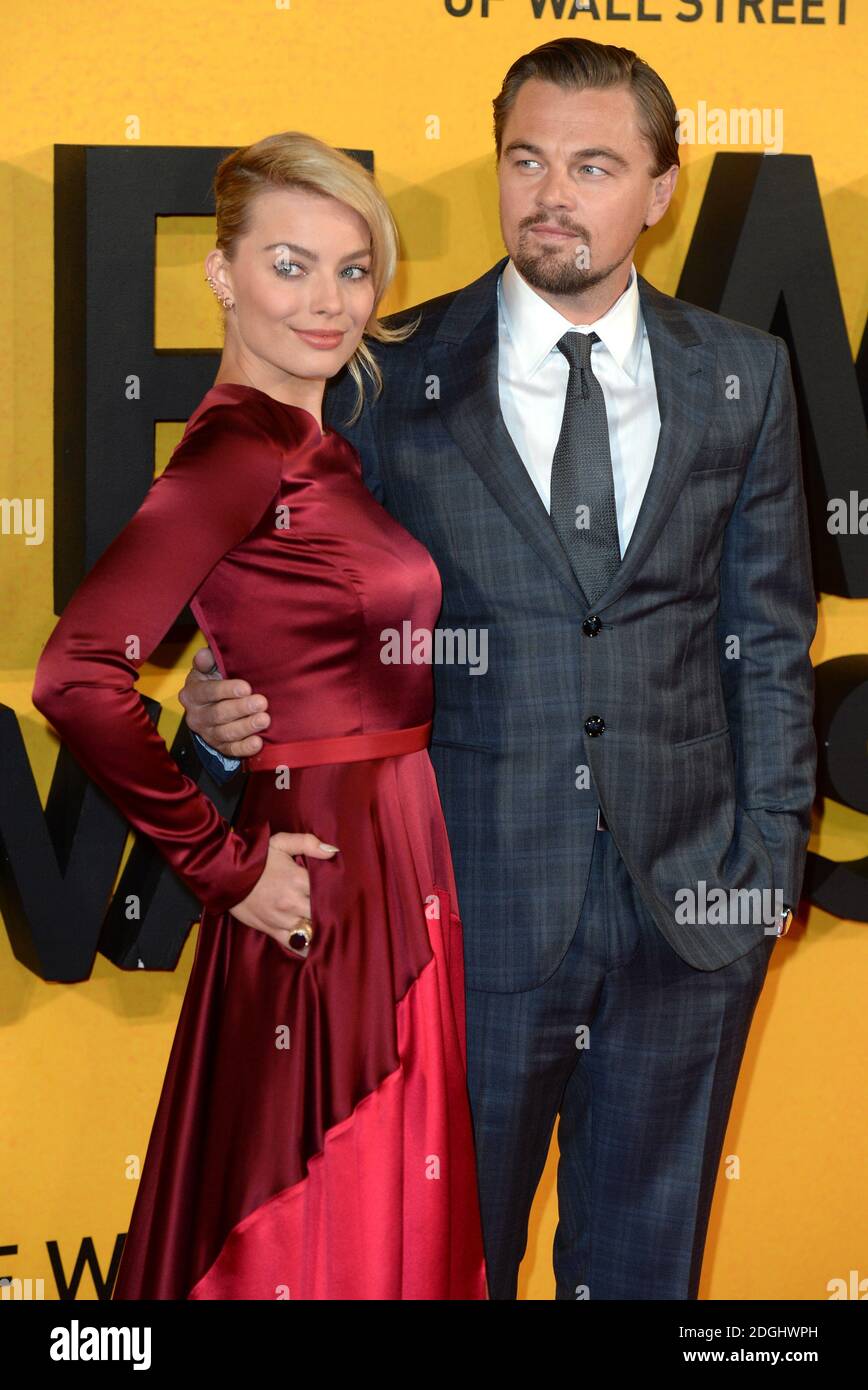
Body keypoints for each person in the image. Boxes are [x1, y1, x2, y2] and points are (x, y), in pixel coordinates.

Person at [185, 39, 817, 1301]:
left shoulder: (741, 375)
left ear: (659, 190)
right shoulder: (382, 372)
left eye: (592, 166)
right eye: (526, 160)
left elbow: (768, 637)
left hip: (693, 915)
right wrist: (218, 724)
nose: (550, 195)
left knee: (646, 1275)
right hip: (453, 915)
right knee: (433, 1273)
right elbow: (285, 617)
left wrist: (768, 861)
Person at [32, 131, 488, 1300]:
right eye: (290, 265)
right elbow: (78, 674)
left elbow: (267, 636)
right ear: (223, 274)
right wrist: (223, 865)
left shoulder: (313, 442)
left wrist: (221, 698)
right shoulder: (240, 449)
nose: (327, 301)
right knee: (315, 1212)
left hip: (391, 859)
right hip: (324, 878)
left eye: (352, 268)